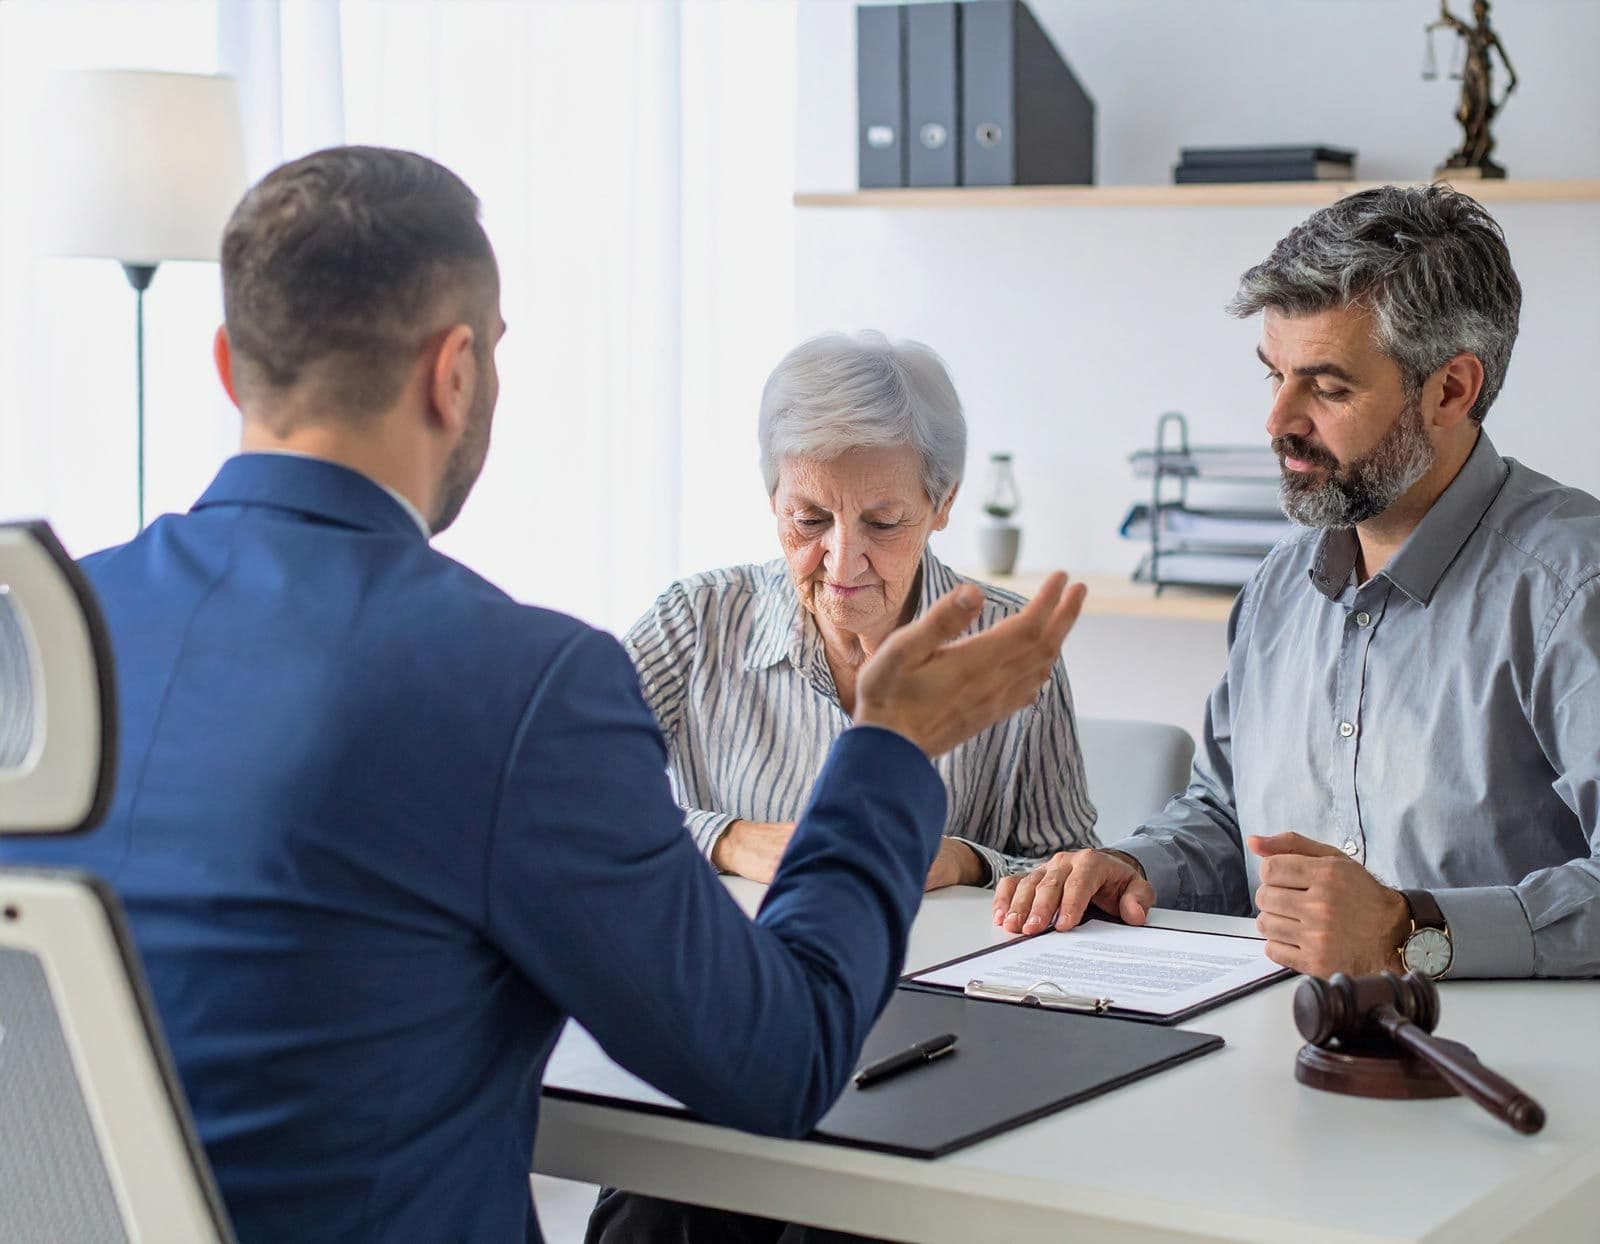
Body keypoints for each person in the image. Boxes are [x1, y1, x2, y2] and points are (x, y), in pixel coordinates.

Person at [0, 146, 1089, 1244]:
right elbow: (779, 1064)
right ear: (456, 373)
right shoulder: (518, 684)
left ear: (229, 365)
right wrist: (889, 746)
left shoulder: (32, 635)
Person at [995, 184, 1600, 982]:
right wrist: (1134, 868)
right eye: (1274, 375)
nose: (1278, 421)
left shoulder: (1572, 589)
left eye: (1329, 387)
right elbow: (1224, 817)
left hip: (1504, 1053)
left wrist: (1411, 931)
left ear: (1451, 390)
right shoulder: (1280, 585)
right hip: (1275, 1037)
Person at [623, 332, 1097, 891]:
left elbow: (1072, 873)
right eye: (809, 520)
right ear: (773, 500)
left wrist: (969, 862)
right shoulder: (695, 620)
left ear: (943, 503)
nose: (843, 562)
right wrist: (727, 840)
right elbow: (565, 791)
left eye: (883, 523)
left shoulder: (1009, 643)